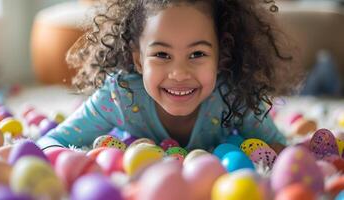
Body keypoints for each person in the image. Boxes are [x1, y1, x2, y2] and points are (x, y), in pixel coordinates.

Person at [37, 0, 301, 152]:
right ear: (138, 59)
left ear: (222, 57)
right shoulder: (120, 96)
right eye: (162, 55)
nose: (179, 73)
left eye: (197, 54)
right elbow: (52, 142)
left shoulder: (231, 97)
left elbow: (278, 145)